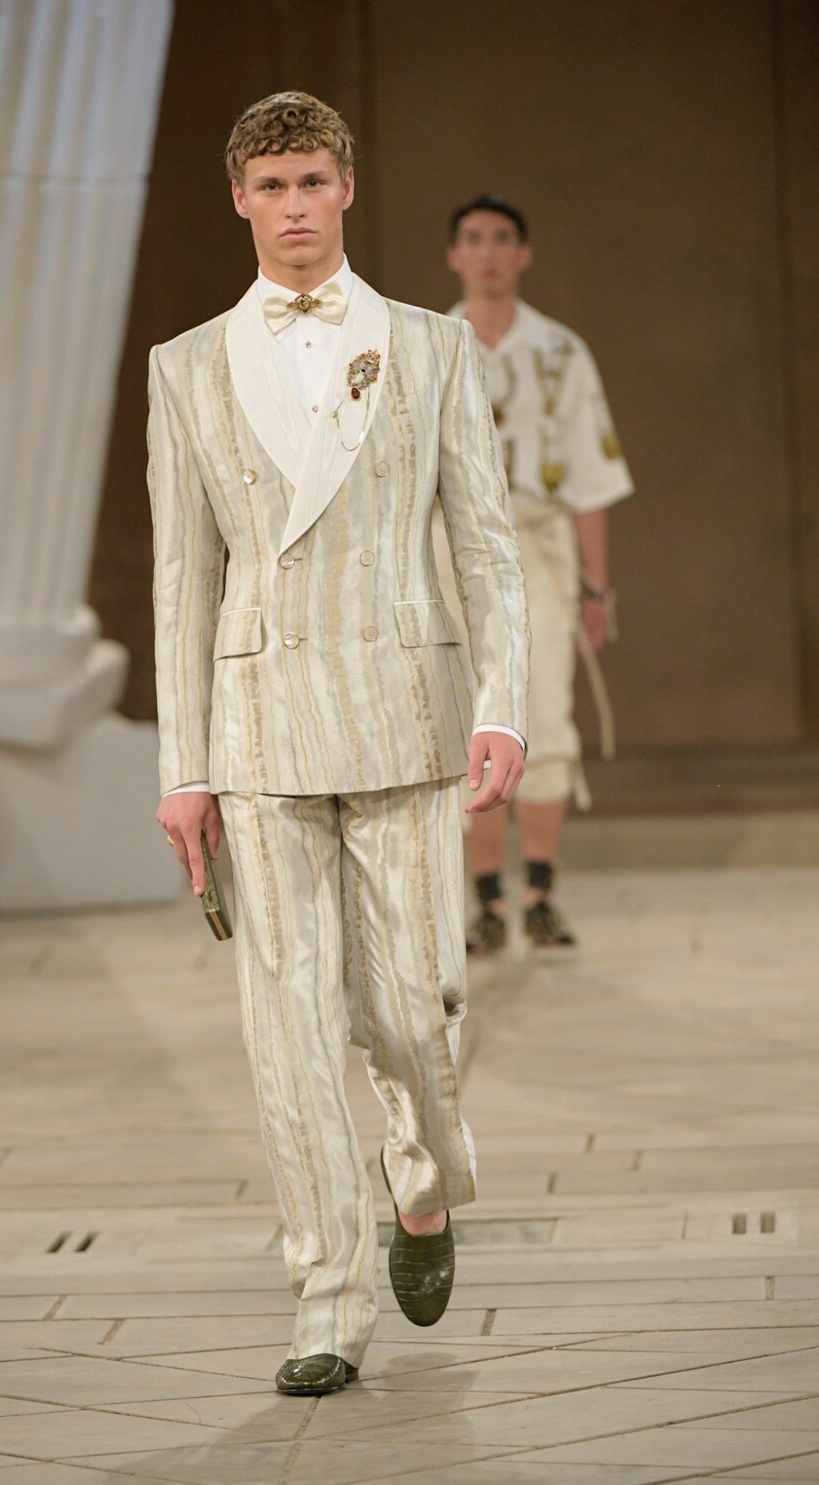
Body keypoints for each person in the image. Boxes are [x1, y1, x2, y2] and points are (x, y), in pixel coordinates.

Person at [149, 95, 529, 1396]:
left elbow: (487, 544)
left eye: (313, 180)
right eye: (271, 186)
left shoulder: (429, 345)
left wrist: (500, 706)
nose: (295, 205)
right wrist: (183, 766)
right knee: (289, 1023)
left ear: (347, 187)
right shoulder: (185, 365)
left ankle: (422, 1174)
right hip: (258, 727)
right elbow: (184, 577)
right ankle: (325, 1295)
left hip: (403, 714)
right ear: (239, 200)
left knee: (416, 1008)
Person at [446, 195, 634, 952]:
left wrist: (596, 586)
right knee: (467, 722)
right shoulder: (432, 345)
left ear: (522, 253)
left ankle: (540, 893)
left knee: (546, 717)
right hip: (455, 557)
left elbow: (590, 477)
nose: (488, 253)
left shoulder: (561, 351)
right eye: (473, 239)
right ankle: (488, 903)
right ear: (454, 255)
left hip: (541, 555)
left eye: (501, 239)